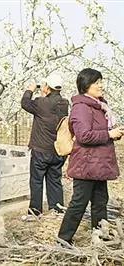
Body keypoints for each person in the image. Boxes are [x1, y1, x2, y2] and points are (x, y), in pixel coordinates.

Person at [57, 68, 124, 246]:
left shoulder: (99, 106)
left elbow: (98, 131)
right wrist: (109, 134)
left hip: (99, 164)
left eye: (101, 81)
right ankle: (63, 239)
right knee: (79, 203)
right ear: (86, 85)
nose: (101, 85)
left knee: (100, 202)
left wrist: (114, 133)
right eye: (97, 82)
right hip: (86, 165)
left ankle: (100, 237)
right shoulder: (81, 108)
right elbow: (84, 136)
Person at [21, 73, 69, 220]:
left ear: (47, 87)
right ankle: (57, 209)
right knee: (54, 180)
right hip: (57, 150)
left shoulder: (41, 102)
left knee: (36, 180)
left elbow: (25, 103)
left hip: (41, 150)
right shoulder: (64, 103)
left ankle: (35, 211)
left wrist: (30, 90)